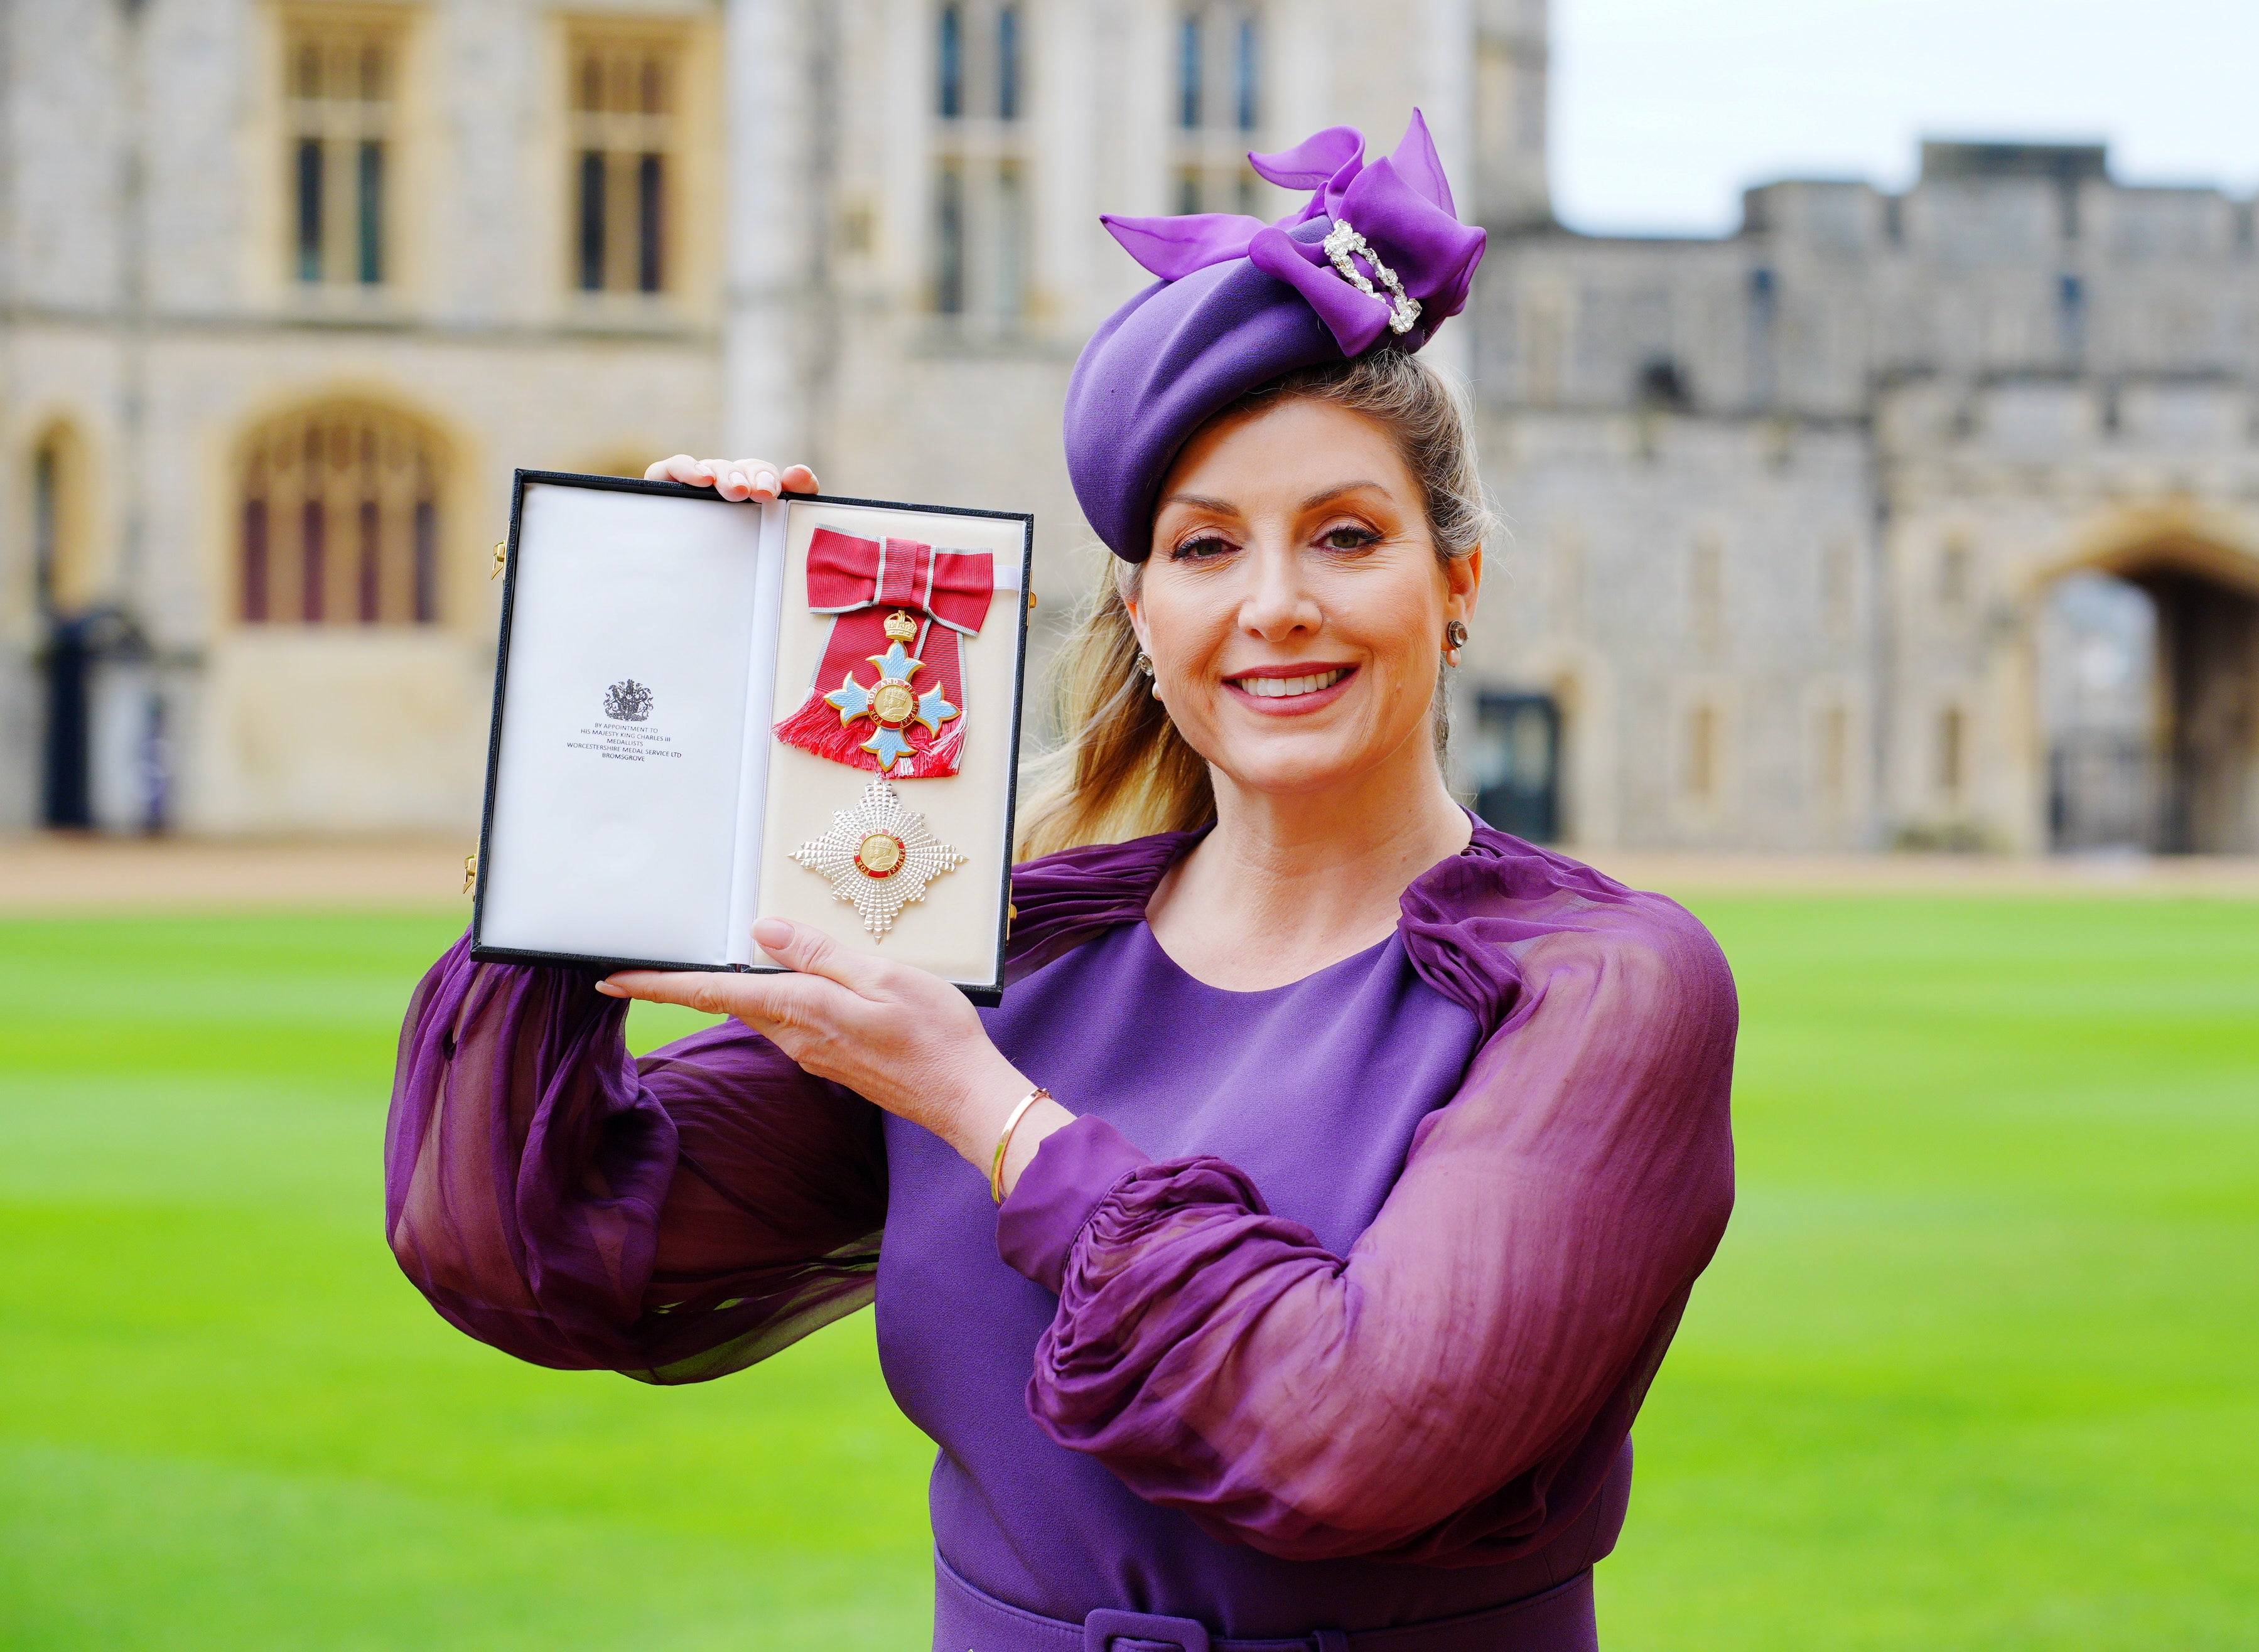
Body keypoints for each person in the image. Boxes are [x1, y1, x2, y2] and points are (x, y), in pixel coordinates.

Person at [386, 114, 1735, 1652]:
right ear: (1145, 615)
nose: (1276, 605)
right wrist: (647, 662)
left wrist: (991, 1115)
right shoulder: (1009, 960)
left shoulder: (1598, 983)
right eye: (1207, 547)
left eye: (1347, 537)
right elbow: (546, 1239)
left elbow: (1358, 1429)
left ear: (1458, 584)